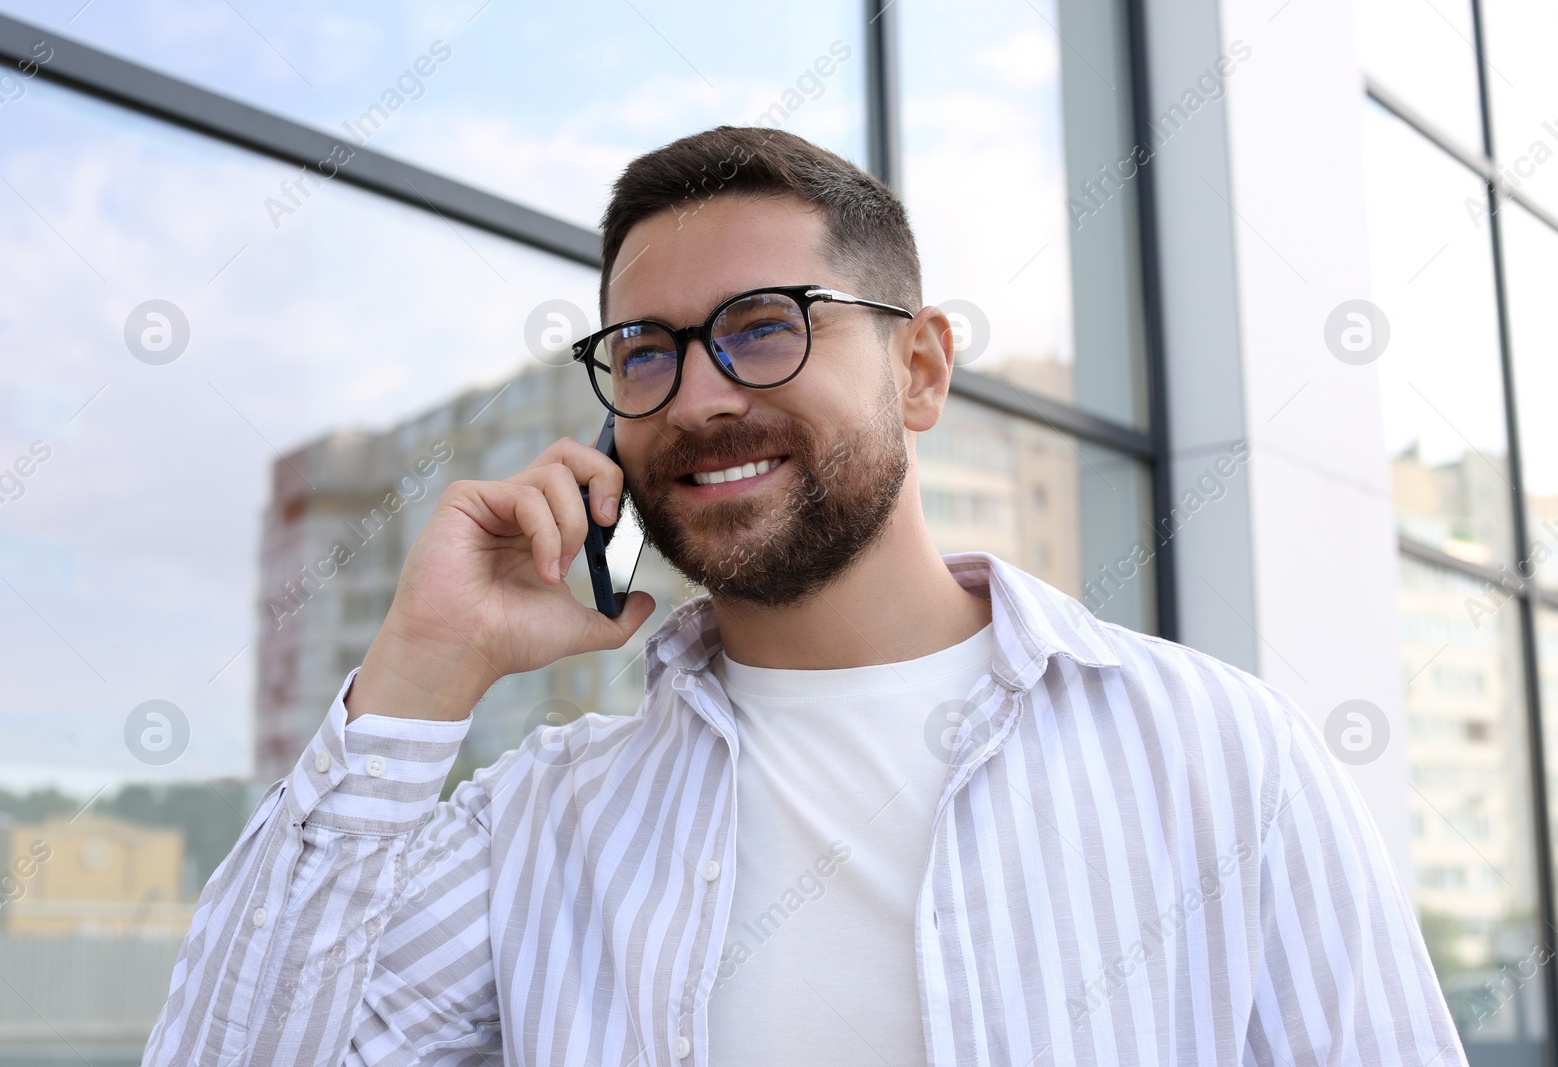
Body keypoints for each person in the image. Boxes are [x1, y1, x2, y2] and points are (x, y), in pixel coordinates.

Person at [142, 126, 1466, 1066]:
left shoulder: (1215, 754)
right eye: (645, 352)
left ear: (923, 372)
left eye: (765, 323)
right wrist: (422, 671)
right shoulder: (544, 824)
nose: (702, 394)